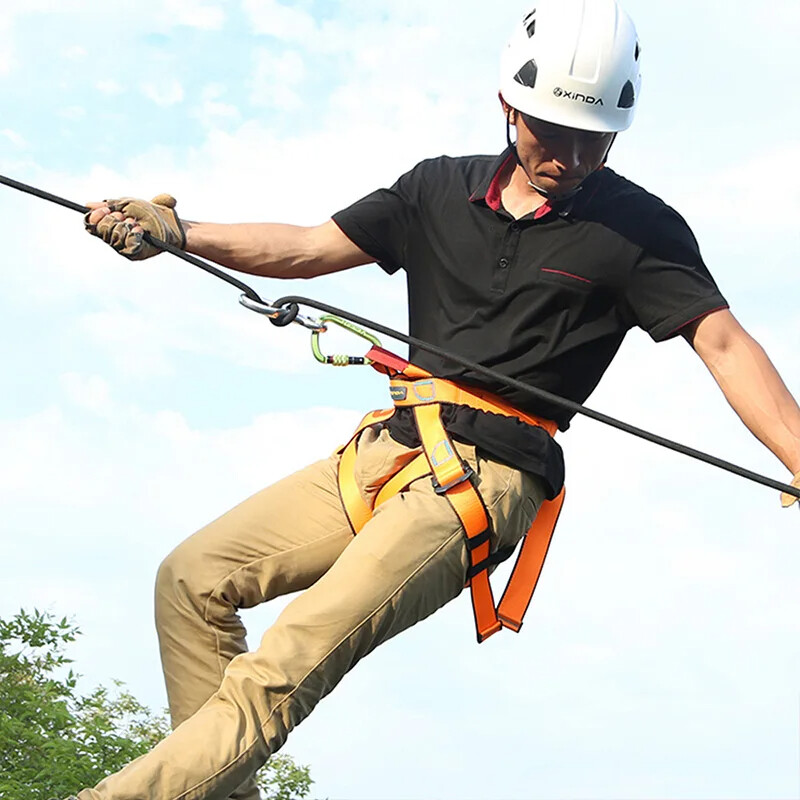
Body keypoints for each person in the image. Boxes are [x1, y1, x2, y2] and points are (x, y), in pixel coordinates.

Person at [75, 1, 800, 799]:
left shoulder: (641, 231)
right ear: (508, 106)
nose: (571, 155)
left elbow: (725, 343)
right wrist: (182, 232)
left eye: (595, 137)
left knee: (285, 662)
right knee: (190, 579)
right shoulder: (434, 189)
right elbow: (308, 248)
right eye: (551, 132)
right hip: (391, 447)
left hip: (489, 479)